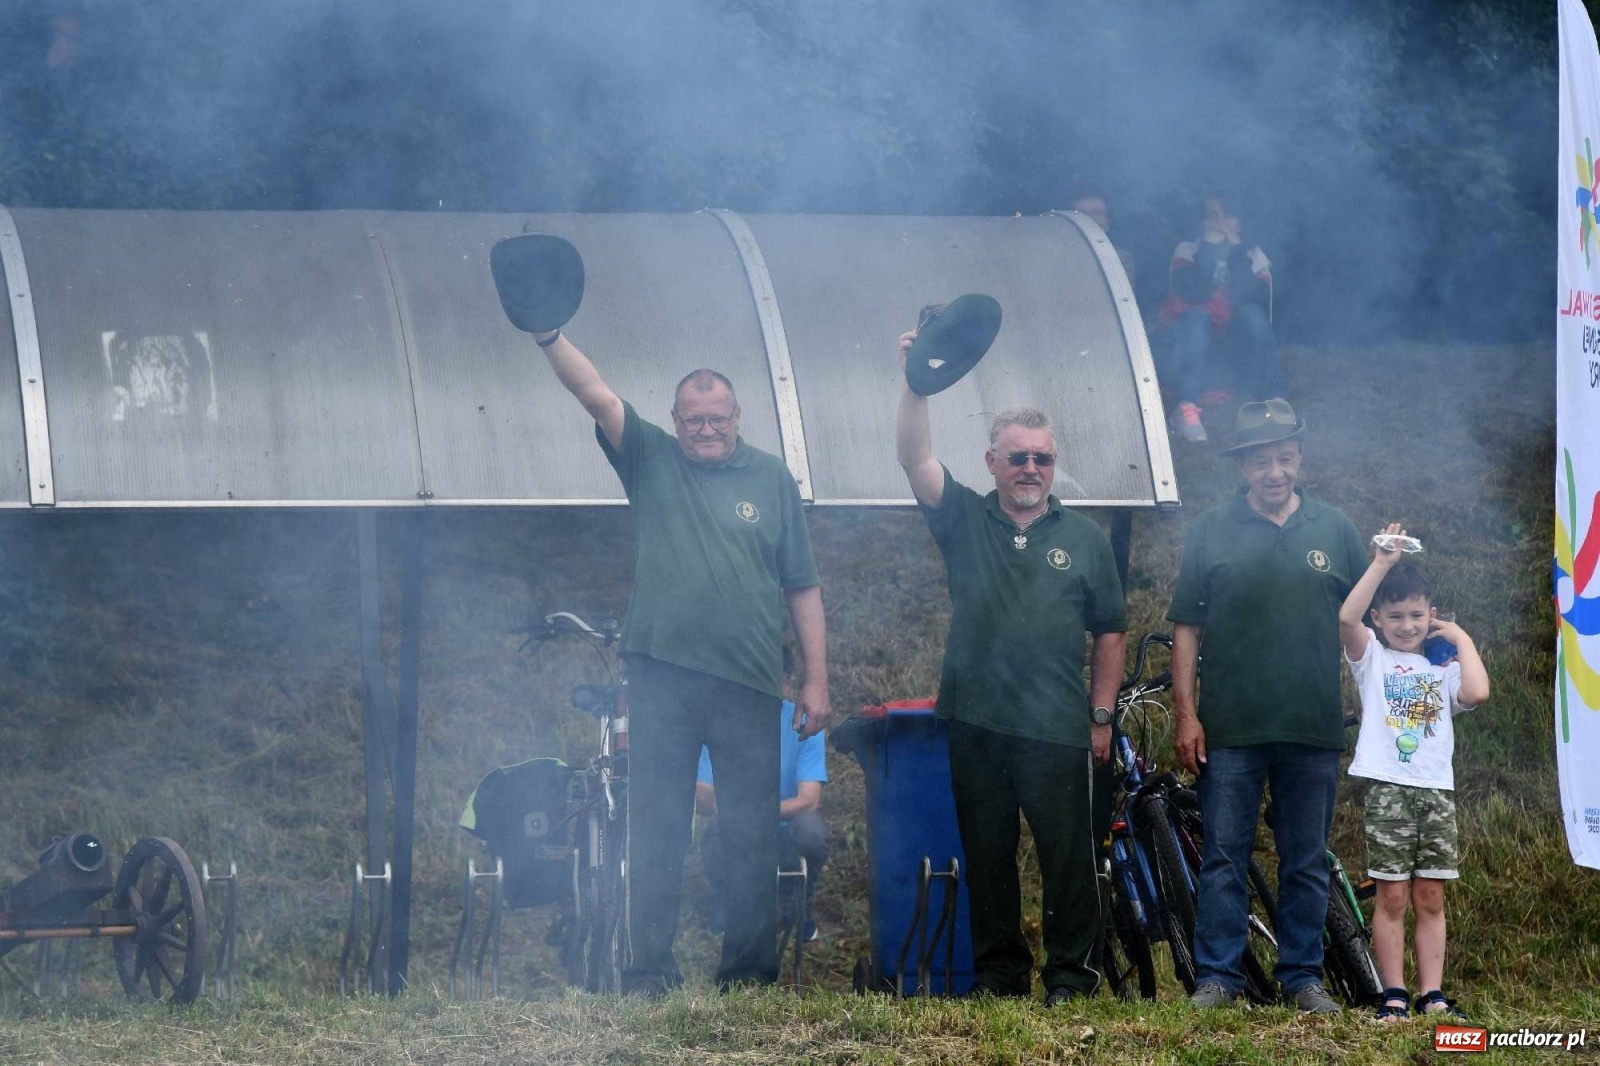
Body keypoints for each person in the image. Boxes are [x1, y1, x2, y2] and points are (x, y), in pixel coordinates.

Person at [528, 324, 832, 996]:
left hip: (751, 681)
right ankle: (647, 974)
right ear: (674, 421)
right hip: (661, 679)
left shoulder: (772, 478)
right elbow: (597, 395)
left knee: (750, 830)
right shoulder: (649, 458)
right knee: (658, 826)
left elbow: (801, 585)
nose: (704, 430)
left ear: (736, 418)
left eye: (715, 419)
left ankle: (747, 975)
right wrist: (549, 334)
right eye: (692, 419)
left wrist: (816, 678)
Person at [894, 328, 1127, 1005]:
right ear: (992, 461)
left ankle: (1069, 979)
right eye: (1018, 457)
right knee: (988, 858)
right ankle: (999, 976)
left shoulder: (1083, 539)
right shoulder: (964, 518)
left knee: (1068, 863)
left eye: (1043, 459)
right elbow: (913, 457)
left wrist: (1102, 715)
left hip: (1058, 729)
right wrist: (915, 377)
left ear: (1055, 465)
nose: (1032, 469)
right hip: (977, 722)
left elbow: (1110, 632)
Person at [1168, 398, 1366, 1013]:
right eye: (1261, 461)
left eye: (1284, 458)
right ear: (1242, 466)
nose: (1274, 472)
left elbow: (1365, 624)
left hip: (1312, 727)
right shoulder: (1210, 531)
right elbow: (1186, 629)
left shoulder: (1335, 530)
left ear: (1300, 458)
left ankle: (1302, 977)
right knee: (1225, 856)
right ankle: (1219, 979)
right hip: (1231, 729)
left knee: (1305, 860)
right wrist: (1187, 713)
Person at [1338, 525, 1488, 1021]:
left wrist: (1461, 638)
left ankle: (1433, 994)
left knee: (1430, 894)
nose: (1407, 625)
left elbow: (1477, 693)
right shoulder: (1372, 658)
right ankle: (1394, 994)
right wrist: (1380, 562)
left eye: (1417, 615)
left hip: (1435, 794)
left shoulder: (1442, 668)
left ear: (1432, 616)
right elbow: (1346, 616)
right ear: (1379, 619)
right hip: (1388, 791)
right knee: (1393, 894)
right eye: (1396, 616)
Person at [695, 656, 829, 942]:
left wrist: (757, 813)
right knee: (717, 832)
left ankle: (795, 905)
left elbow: (809, 800)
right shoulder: (720, 724)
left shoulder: (804, 723)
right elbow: (703, 795)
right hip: (737, 828)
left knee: (812, 831)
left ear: (787, 679)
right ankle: (728, 906)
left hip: (785, 828)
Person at [1156, 194, 1287, 443]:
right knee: (1196, 316)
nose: (1220, 223)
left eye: (1226, 215)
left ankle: (1276, 400)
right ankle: (1186, 406)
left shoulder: (1253, 255)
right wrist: (1208, 250)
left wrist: (1235, 249)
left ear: (1239, 221)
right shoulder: (1188, 250)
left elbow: (1253, 300)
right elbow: (1194, 294)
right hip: (1190, 350)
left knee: (1251, 314)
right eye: (1212, 217)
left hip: (1234, 352)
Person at [1070, 193, 1138, 288]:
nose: (1090, 218)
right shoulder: (1055, 256)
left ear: (1107, 222)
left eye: (1096, 213)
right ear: (1070, 220)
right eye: (1082, 213)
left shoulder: (1121, 260)